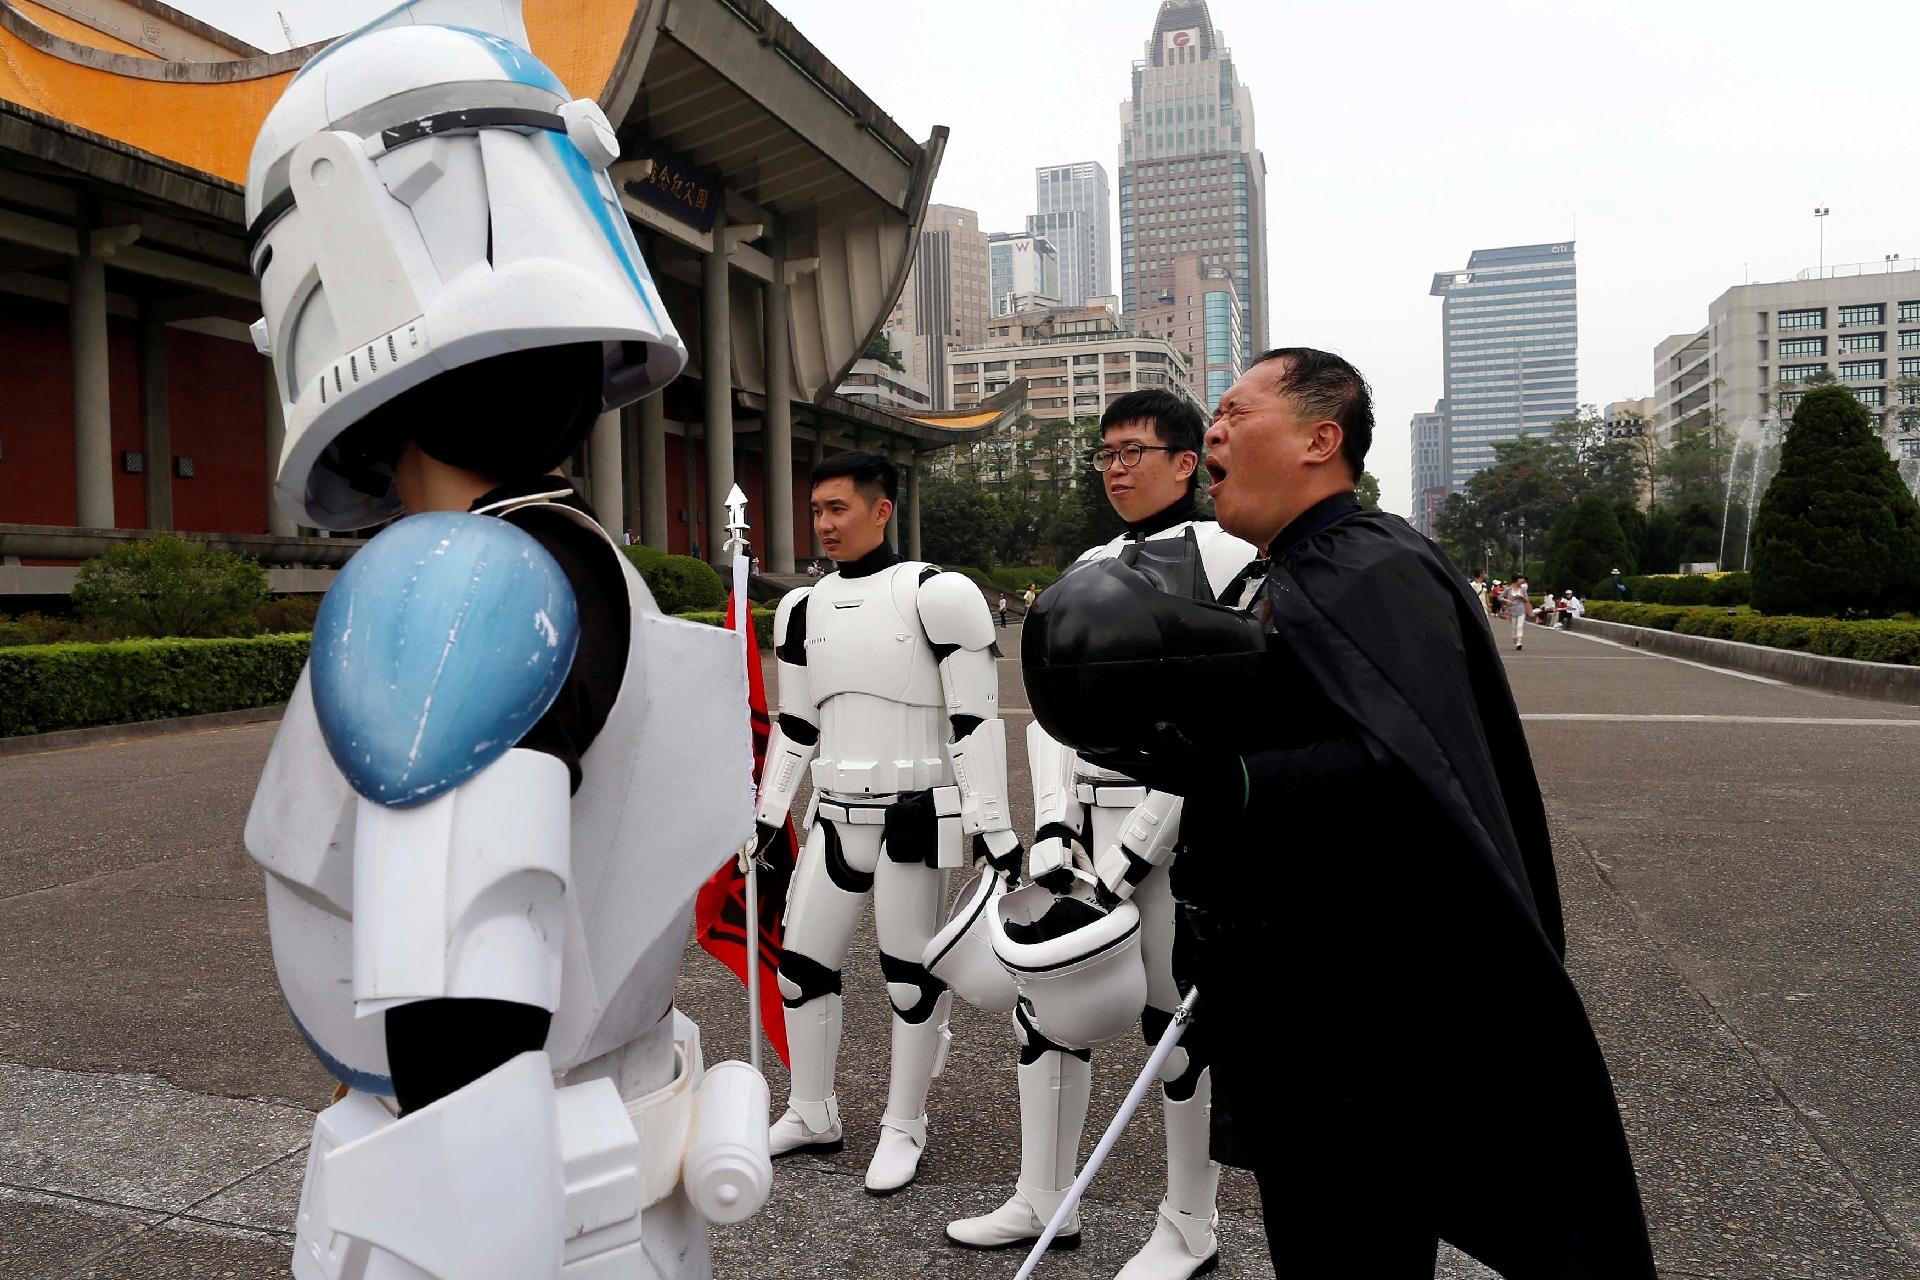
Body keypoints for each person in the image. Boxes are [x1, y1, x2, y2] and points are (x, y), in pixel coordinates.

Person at [239, 7, 770, 1275]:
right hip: (605, 1178)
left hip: (501, 1211)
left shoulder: (465, 577)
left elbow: (463, 1021)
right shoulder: (587, 568)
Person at [1069, 348, 1655, 1276]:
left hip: (1363, 1015)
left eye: (1233, 411)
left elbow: (1404, 774)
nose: (1210, 431)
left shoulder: (1371, 567)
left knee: (1354, 1240)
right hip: (1293, 995)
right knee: (1319, 1235)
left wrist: (1228, 779)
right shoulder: (1281, 571)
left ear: (1318, 438)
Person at [946, 389, 1255, 1278]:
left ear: (1187, 461)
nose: (1116, 468)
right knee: (1046, 1014)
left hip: (1178, 835)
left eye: (1134, 451)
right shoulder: (1092, 562)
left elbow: (1223, 720)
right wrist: (1050, 826)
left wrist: (1135, 852)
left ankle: (1190, 1222)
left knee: (1175, 1031)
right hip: (1080, 827)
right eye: (1105, 454)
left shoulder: (1229, 558)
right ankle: (1042, 1193)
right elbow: (1054, 711)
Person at [756, 451, 1023, 1194]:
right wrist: (767, 814)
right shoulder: (800, 609)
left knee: (910, 977)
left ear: (882, 509)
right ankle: (811, 1111)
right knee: (802, 967)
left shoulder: (939, 595)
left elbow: (974, 719)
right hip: (835, 815)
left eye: (838, 508)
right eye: (816, 511)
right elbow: (797, 723)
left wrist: (995, 829)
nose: (825, 524)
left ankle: (905, 1124)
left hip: (914, 812)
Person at [1507, 575, 1530, 650]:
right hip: (1512, 611)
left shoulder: (1523, 589)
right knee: (1514, 628)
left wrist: (1522, 597)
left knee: (1519, 626)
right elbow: (1500, 597)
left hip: (1521, 610)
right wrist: (1506, 601)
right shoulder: (1508, 589)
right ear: (1516, 580)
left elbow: (1526, 600)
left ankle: (1519, 642)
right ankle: (1515, 640)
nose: (1522, 581)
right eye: (1520, 579)